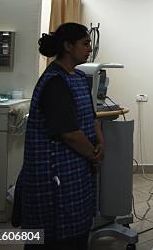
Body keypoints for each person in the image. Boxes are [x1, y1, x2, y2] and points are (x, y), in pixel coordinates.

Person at [17, 23, 104, 250]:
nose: (89, 48)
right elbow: (70, 134)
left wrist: (100, 142)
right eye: (85, 44)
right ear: (68, 46)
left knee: (77, 230)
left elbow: (91, 116)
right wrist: (94, 156)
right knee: (52, 236)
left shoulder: (78, 77)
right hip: (55, 173)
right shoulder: (55, 81)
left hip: (77, 170)